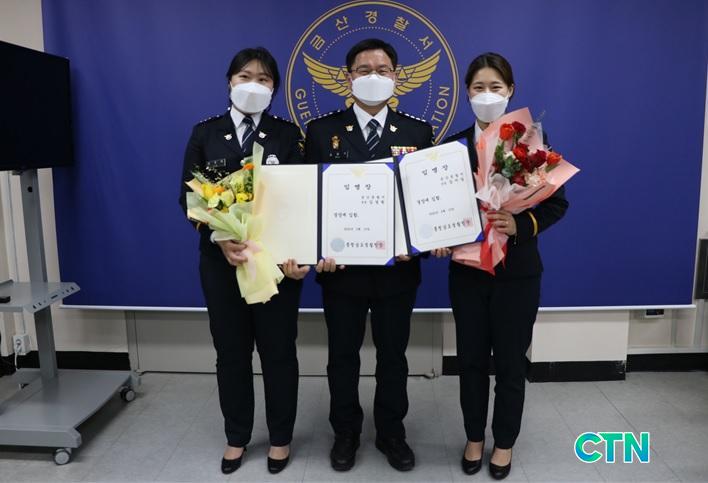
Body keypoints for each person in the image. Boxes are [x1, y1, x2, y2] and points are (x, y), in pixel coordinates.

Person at [435, 52, 569, 480]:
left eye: (496, 87)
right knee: (471, 361)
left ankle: (504, 443)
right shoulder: (450, 148)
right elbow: (432, 208)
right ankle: (474, 437)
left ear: (511, 91)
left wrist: (519, 224)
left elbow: (556, 204)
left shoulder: (531, 145)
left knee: (511, 364)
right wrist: (436, 238)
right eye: (479, 88)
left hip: (518, 275)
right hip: (468, 273)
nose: (487, 95)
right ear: (467, 93)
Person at [179, 47, 309, 475]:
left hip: (275, 266)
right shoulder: (206, 133)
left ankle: (280, 438)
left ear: (274, 88)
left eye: (263, 79)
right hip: (222, 263)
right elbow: (188, 198)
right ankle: (236, 435)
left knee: (278, 352)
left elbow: (301, 201)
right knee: (231, 353)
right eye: (244, 76)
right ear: (229, 82)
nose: (253, 85)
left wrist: (295, 255)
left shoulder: (287, 135)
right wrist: (220, 238)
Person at [304, 38, 433, 472]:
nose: (373, 76)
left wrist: (417, 244)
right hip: (341, 271)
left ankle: (391, 433)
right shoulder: (321, 131)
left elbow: (425, 202)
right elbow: (309, 201)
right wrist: (315, 250)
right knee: (342, 356)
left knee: (393, 357)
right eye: (363, 69)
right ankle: (345, 432)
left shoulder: (417, 132)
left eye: (383, 69)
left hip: (398, 271)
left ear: (396, 76)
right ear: (348, 77)